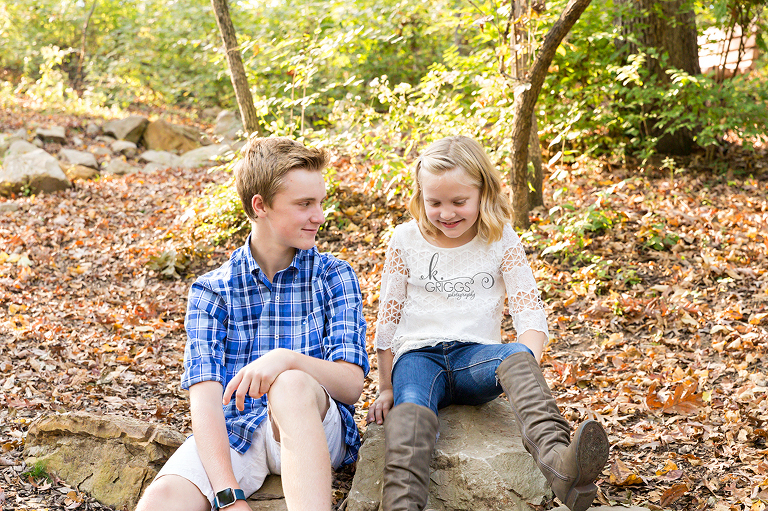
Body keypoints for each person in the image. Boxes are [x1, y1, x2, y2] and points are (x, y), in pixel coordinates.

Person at [366, 136, 609, 511]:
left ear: (483, 192)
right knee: (410, 408)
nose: (446, 213)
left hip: (474, 359)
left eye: (459, 202)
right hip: (417, 358)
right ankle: (402, 504)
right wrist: (385, 387)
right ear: (420, 196)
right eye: (434, 203)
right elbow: (389, 317)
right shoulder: (405, 239)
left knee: (515, 354)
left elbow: (530, 313)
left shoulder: (500, 238)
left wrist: (521, 367)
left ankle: (561, 466)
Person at [136, 137, 369, 511]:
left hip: (315, 427)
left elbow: (351, 385)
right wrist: (229, 497)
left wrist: (285, 359)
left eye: (320, 202)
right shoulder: (212, 291)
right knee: (160, 502)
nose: (320, 216)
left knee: (290, 385)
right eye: (305, 204)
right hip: (236, 432)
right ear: (260, 206)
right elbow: (206, 402)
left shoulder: (334, 276)